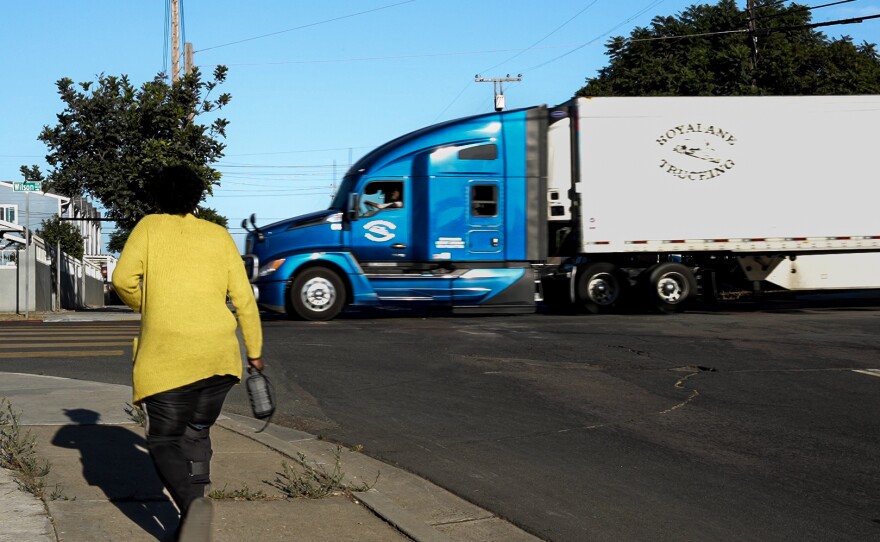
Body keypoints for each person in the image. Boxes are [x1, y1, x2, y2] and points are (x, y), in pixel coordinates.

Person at [112, 164, 263, 542]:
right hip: (219, 358)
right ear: (197, 197)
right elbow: (244, 299)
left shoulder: (149, 227)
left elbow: (121, 280)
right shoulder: (218, 235)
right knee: (197, 431)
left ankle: (191, 504)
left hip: (169, 357)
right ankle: (192, 517)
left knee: (164, 439)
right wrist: (255, 354)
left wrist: (149, 304)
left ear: (158, 197)